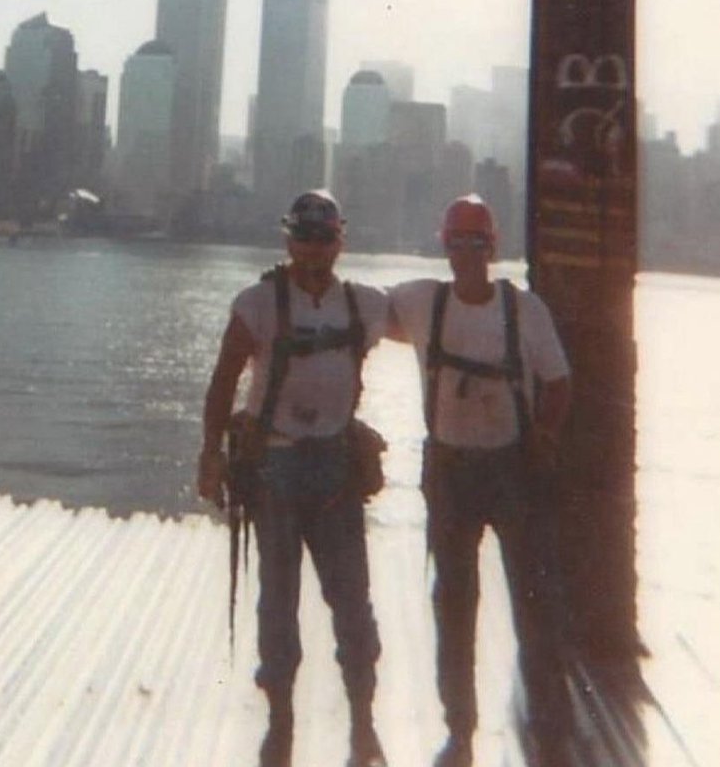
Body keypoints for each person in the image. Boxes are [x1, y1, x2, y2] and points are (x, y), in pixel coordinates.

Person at [197, 190, 390, 767]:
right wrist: (209, 452)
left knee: (352, 601)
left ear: (339, 242)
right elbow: (224, 377)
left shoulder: (365, 306)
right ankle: (280, 723)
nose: (313, 250)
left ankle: (362, 724)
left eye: (323, 238)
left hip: (335, 468)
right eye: (303, 238)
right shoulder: (257, 303)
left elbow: (440, 324)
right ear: (288, 240)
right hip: (275, 467)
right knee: (277, 602)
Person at [387, 194, 574, 767]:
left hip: (511, 468)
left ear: (492, 249)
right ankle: (460, 728)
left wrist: (543, 438)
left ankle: (549, 723)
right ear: (444, 247)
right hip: (449, 472)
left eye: (477, 243)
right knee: (454, 601)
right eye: (457, 243)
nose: (466, 253)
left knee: (533, 598)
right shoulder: (420, 302)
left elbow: (559, 382)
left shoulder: (525, 311)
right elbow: (353, 315)